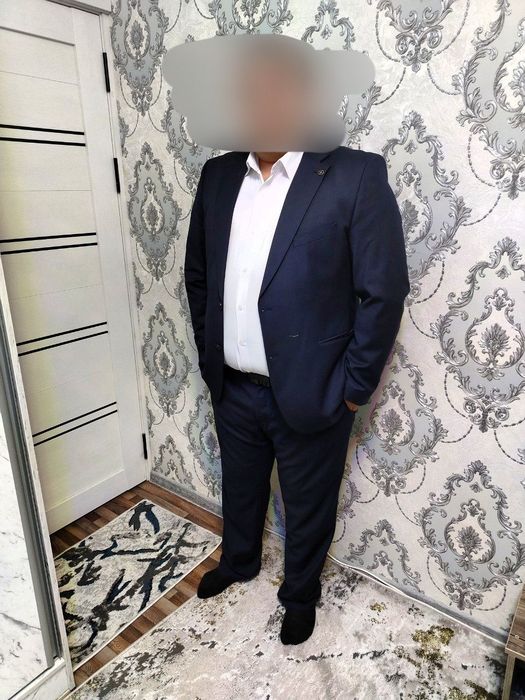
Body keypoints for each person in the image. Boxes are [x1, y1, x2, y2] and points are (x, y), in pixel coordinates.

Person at [183, 53, 410, 647]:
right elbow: (199, 276)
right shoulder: (218, 177)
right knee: (241, 484)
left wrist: (354, 388)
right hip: (233, 384)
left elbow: (383, 292)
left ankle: (300, 594)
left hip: (314, 389)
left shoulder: (354, 175)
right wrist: (210, 352)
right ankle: (239, 561)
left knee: (309, 501)